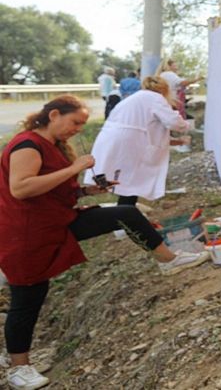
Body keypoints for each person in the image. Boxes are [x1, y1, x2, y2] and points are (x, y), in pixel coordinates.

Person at [0, 95, 209, 390]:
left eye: (83, 125)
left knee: (125, 212)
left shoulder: (53, 147)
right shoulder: (27, 144)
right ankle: (18, 369)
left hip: (55, 222)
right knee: (28, 298)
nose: (78, 130)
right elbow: (21, 188)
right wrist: (74, 169)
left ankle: (169, 261)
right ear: (54, 114)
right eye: (75, 123)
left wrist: (87, 190)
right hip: (25, 234)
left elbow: (53, 189)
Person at [86, 77, 191, 207]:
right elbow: (174, 122)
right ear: (165, 90)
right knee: (130, 181)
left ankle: (125, 214)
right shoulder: (155, 98)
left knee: (125, 181)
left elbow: (151, 131)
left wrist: (177, 142)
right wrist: (187, 125)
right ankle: (125, 216)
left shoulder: (134, 98)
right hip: (128, 142)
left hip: (111, 139)